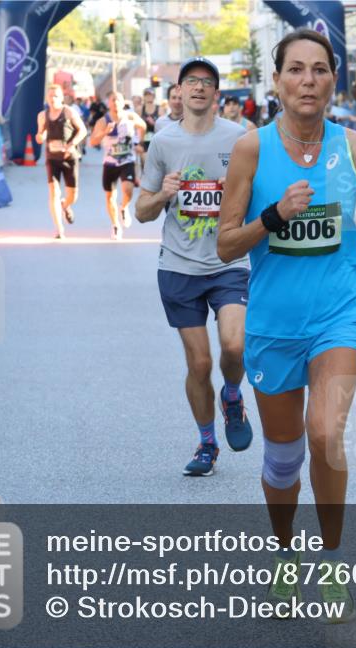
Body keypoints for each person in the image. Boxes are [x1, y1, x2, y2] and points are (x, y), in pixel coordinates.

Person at [216, 28, 356, 624]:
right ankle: (283, 554)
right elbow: (225, 245)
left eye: (319, 70)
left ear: (332, 80)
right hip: (273, 322)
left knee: (325, 433)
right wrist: (274, 216)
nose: (308, 80)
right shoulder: (251, 149)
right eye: (296, 70)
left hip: (338, 313)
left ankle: (331, 560)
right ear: (277, 81)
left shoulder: (354, 144)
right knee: (283, 458)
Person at [136, 56, 254, 476]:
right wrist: (163, 194)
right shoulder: (164, 143)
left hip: (229, 260)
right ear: (180, 92)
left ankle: (234, 394)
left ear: (217, 94)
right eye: (191, 82)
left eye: (207, 82)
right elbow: (141, 212)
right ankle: (207, 443)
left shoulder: (241, 139)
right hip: (179, 266)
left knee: (235, 346)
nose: (199, 87)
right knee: (199, 364)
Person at [89, 92, 146, 239]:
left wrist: (139, 142)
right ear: (108, 103)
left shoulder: (130, 117)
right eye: (112, 100)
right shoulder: (103, 121)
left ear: (123, 102)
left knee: (128, 189)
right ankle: (115, 225)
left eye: (118, 100)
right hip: (110, 163)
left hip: (127, 160)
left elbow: (143, 126)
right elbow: (92, 142)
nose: (115, 102)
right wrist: (104, 133)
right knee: (110, 197)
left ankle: (124, 207)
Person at [36, 84, 88, 239]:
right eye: (50, 96)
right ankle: (59, 229)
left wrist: (71, 145)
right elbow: (41, 134)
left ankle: (66, 205)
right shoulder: (42, 115)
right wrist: (40, 137)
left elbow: (83, 130)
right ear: (47, 98)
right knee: (54, 192)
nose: (53, 99)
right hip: (52, 158)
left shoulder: (69, 112)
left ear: (62, 98)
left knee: (73, 195)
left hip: (69, 158)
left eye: (56, 96)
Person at [139, 87, 161, 162]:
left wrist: (154, 123)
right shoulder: (140, 109)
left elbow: (164, 127)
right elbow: (136, 127)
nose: (148, 97)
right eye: (146, 95)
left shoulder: (159, 109)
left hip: (156, 141)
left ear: (154, 96)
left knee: (156, 163)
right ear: (144, 97)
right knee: (145, 165)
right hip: (144, 141)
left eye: (150, 95)